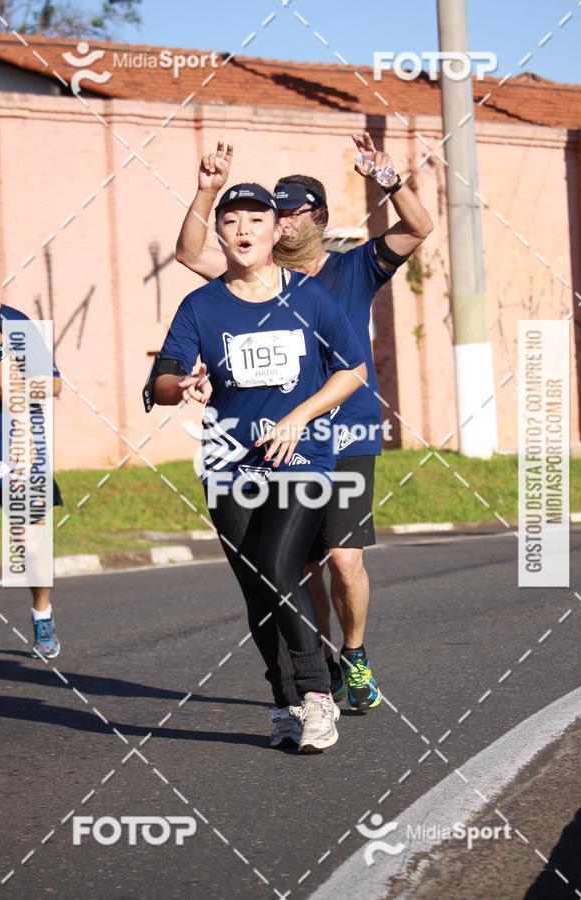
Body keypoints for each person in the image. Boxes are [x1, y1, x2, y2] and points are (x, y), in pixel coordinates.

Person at [175, 136, 433, 712]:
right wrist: (207, 191)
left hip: (348, 432)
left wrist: (388, 179)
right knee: (297, 564)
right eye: (279, 213)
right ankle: (319, 664)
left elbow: (419, 227)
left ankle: (355, 654)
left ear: (318, 217)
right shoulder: (259, 275)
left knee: (344, 557)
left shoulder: (354, 267)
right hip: (277, 439)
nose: (284, 222)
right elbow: (190, 253)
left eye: (293, 212)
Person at [151, 182, 367, 752]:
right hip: (228, 461)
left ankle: (318, 694)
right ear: (220, 235)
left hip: (301, 455)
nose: (243, 229)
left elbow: (353, 371)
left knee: (277, 564)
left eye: (255, 219)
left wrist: (299, 416)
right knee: (255, 588)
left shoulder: (310, 297)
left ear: (275, 232)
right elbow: (163, 378)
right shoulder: (201, 306)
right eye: (231, 221)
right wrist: (181, 383)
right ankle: (285, 702)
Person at [0, 244, 63, 669]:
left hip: (22, 448)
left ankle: (42, 615)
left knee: (31, 546)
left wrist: (4, 388)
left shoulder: (14, 323)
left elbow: (53, 384)